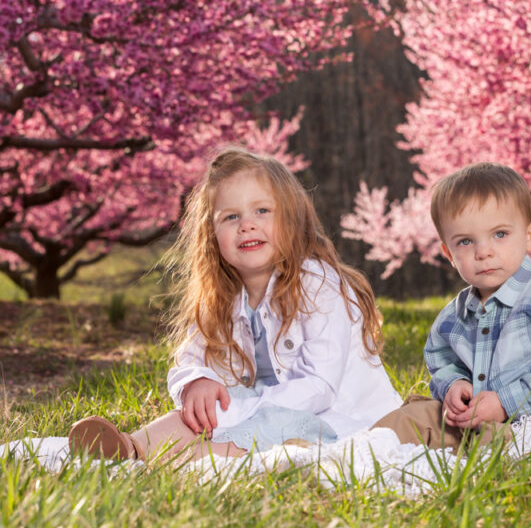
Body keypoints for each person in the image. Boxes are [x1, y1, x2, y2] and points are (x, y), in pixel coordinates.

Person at [68, 146, 402, 462]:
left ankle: (193, 460)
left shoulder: (317, 283)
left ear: (292, 219)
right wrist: (195, 382)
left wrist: (243, 408)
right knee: (192, 418)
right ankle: (131, 447)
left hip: (337, 422)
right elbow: (190, 357)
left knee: (269, 428)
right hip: (256, 412)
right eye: (230, 217)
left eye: (262, 210)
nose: (247, 224)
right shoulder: (222, 298)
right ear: (211, 235)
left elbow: (319, 389)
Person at [371, 162, 531, 451]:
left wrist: (507, 402)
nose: (484, 252)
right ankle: (356, 453)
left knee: (501, 445)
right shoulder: (451, 318)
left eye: (500, 234)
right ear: (449, 254)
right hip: (471, 422)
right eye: (466, 241)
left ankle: (470, 462)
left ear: (529, 236)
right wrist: (453, 386)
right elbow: (442, 361)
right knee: (408, 418)